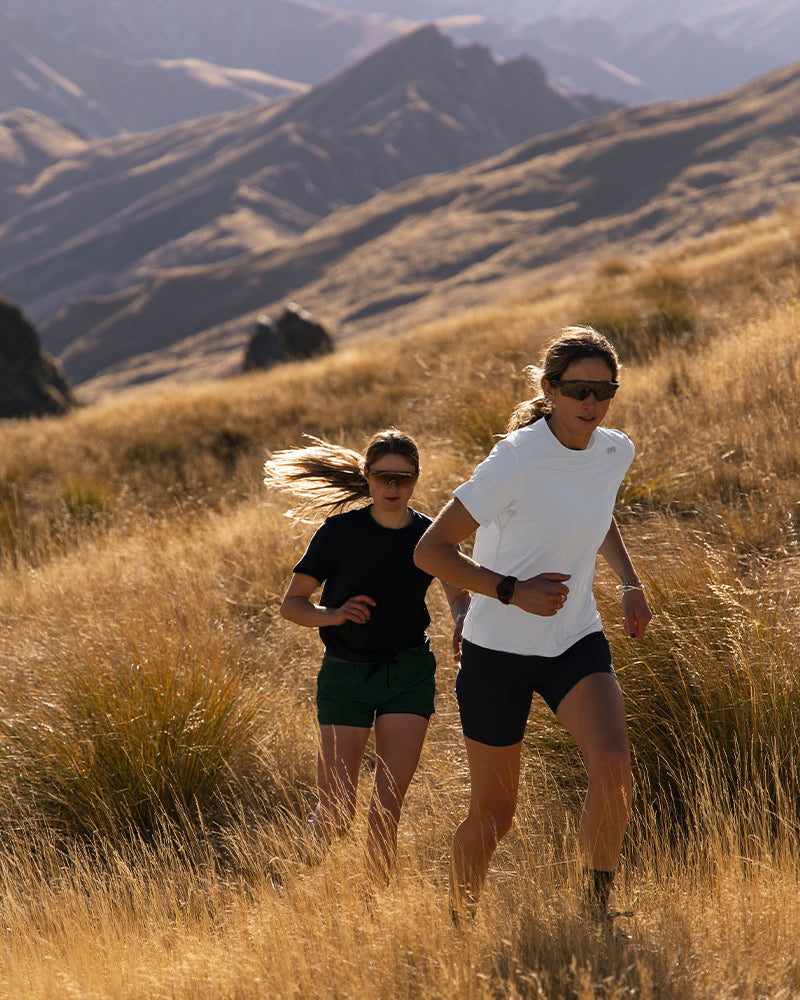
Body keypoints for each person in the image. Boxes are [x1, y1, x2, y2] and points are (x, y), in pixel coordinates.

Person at [413, 326, 652, 922]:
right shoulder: (515, 460)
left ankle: (595, 911)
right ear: (550, 389)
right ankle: (459, 922)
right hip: (498, 653)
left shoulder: (613, 450)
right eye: (577, 390)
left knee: (613, 764)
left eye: (604, 389)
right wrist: (510, 592)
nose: (591, 403)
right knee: (494, 815)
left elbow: (597, 514)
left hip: (574, 638)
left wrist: (629, 582)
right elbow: (430, 550)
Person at [265, 429, 470, 882]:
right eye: (383, 478)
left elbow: (458, 594)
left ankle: (375, 907)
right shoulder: (339, 533)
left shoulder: (429, 535)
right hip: (346, 676)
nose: (393, 489)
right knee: (337, 813)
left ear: (416, 479)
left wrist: (461, 618)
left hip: (408, 673)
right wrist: (334, 614)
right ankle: (304, 873)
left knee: (385, 811)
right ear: (367, 478)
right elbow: (292, 604)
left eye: (404, 478)